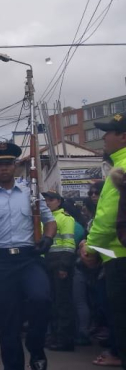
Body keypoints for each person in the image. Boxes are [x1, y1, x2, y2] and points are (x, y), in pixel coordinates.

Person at [0, 142, 56, 370]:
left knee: (41, 299)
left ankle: (35, 345)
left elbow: (50, 222)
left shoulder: (32, 194)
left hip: (29, 259)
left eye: (8, 163)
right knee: (8, 321)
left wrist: (47, 239)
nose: (4, 168)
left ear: (16, 165)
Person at [81, 111, 126, 370]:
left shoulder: (120, 168)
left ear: (123, 136)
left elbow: (109, 216)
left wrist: (91, 246)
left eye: (108, 132)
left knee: (120, 316)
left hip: (119, 256)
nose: (104, 137)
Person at [40, 190, 77, 352]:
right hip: (47, 263)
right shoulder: (44, 220)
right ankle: (55, 335)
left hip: (60, 263)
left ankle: (65, 340)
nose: (48, 202)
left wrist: (64, 266)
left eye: (51, 199)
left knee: (63, 303)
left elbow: (69, 244)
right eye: (46, 199)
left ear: (59, 201)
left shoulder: (65, 218)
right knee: (52, 302)